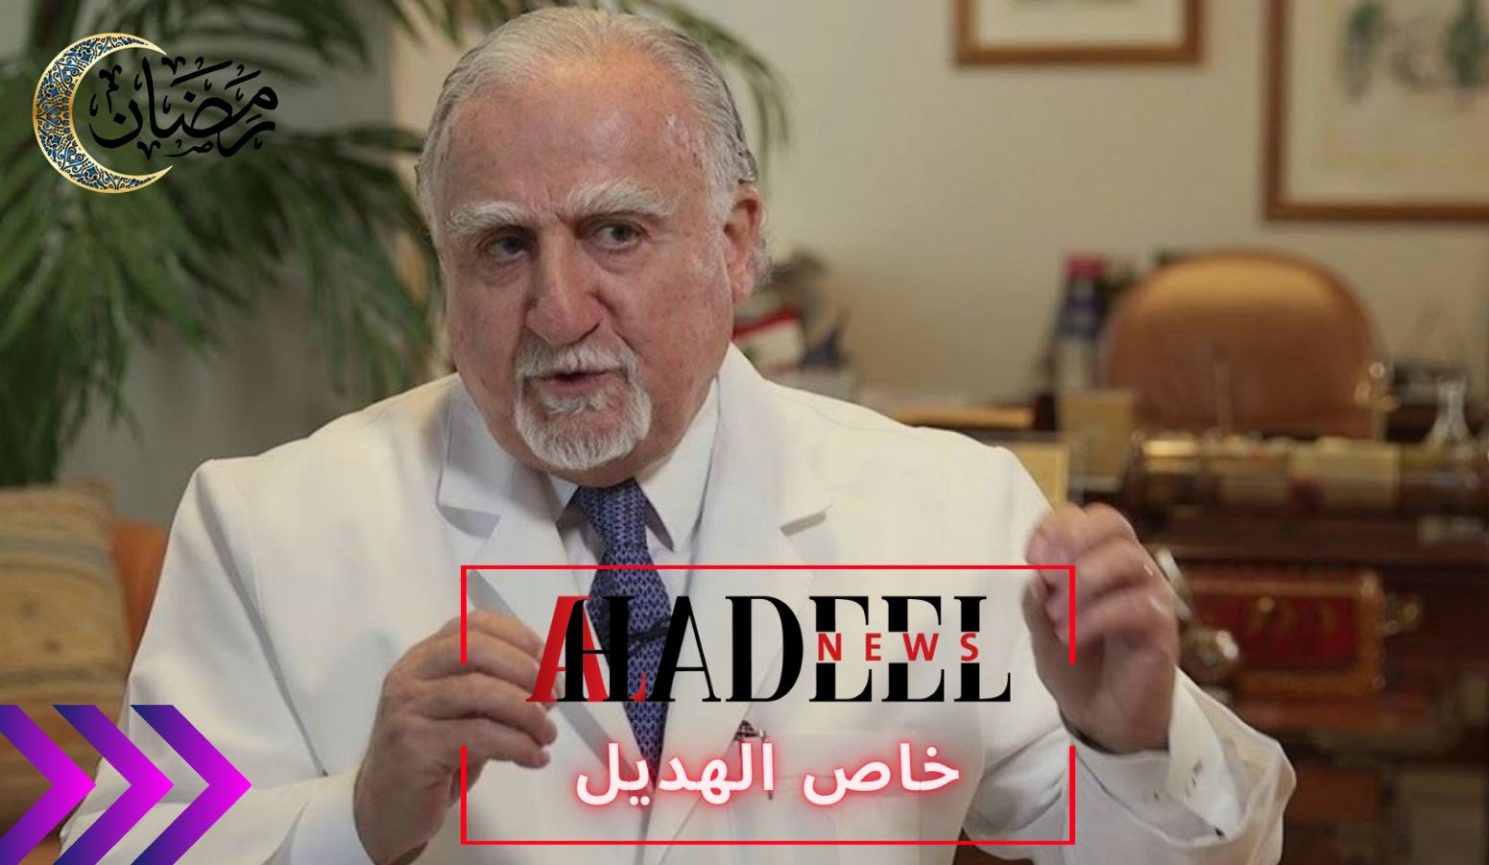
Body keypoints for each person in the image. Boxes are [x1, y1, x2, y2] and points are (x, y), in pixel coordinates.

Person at [63, 8, 1293, 864]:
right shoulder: (263, 523)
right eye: (503, 246)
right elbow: (119, 844)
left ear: (736, 242)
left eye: (617, 233)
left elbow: (1195, 851)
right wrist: (360, 812)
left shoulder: (950, 515)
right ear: (445, 266)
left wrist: (1130, 740)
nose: (558, 308)